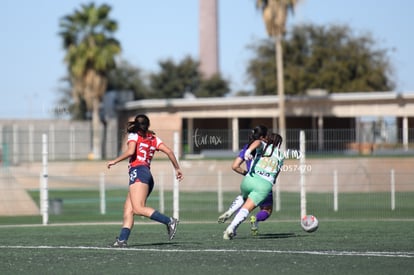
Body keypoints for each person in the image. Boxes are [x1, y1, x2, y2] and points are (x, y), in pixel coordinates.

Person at [107, 114, 183, 247]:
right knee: (128, 209)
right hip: (146, 174)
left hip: (139, 172)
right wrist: (177, 168)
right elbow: (170, 152)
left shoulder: (134, 135)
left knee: (138, 208)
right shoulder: (154, 138)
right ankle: (122, 240)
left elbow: (131, 152)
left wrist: (114, 161)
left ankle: (169, 221)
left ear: (136, 125)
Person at [223, 133, 284, 240]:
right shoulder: (281, 156)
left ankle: (232, 210)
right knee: (255, 209)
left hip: (249, 179)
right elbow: (276, 175)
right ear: (279, 144)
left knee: (244, 198)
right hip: (264, 185)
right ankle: (232, 227)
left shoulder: (263, 146)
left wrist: (248, 151)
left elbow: (257, 142)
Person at [217, 125, 274, 235]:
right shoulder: (267, 148)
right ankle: (256, 220)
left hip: (249, 180)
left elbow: (235, 166)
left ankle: (231, 212)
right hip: (263, 181)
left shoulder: (247, 147)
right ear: (263, 137)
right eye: (267, 135)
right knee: (267, 209)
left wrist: (247, 173)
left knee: (245, 202)